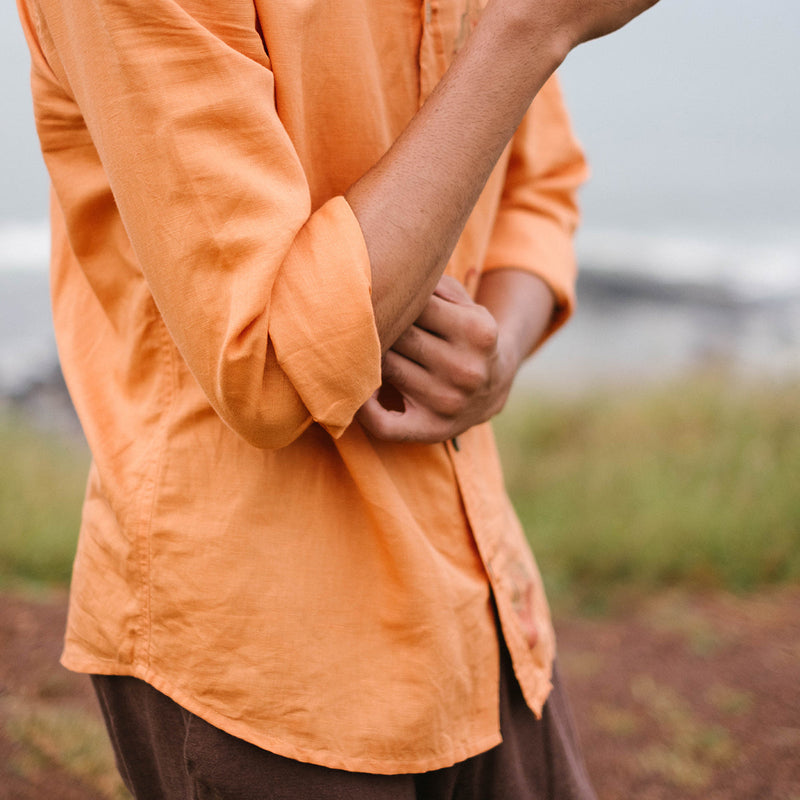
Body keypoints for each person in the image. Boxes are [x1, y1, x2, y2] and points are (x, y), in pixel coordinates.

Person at [17, 0, 659, 797]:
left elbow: (539, 181)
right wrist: (528, 32)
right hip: (267, 660)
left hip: (486, 602)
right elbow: (271, 365)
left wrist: (500, 348)